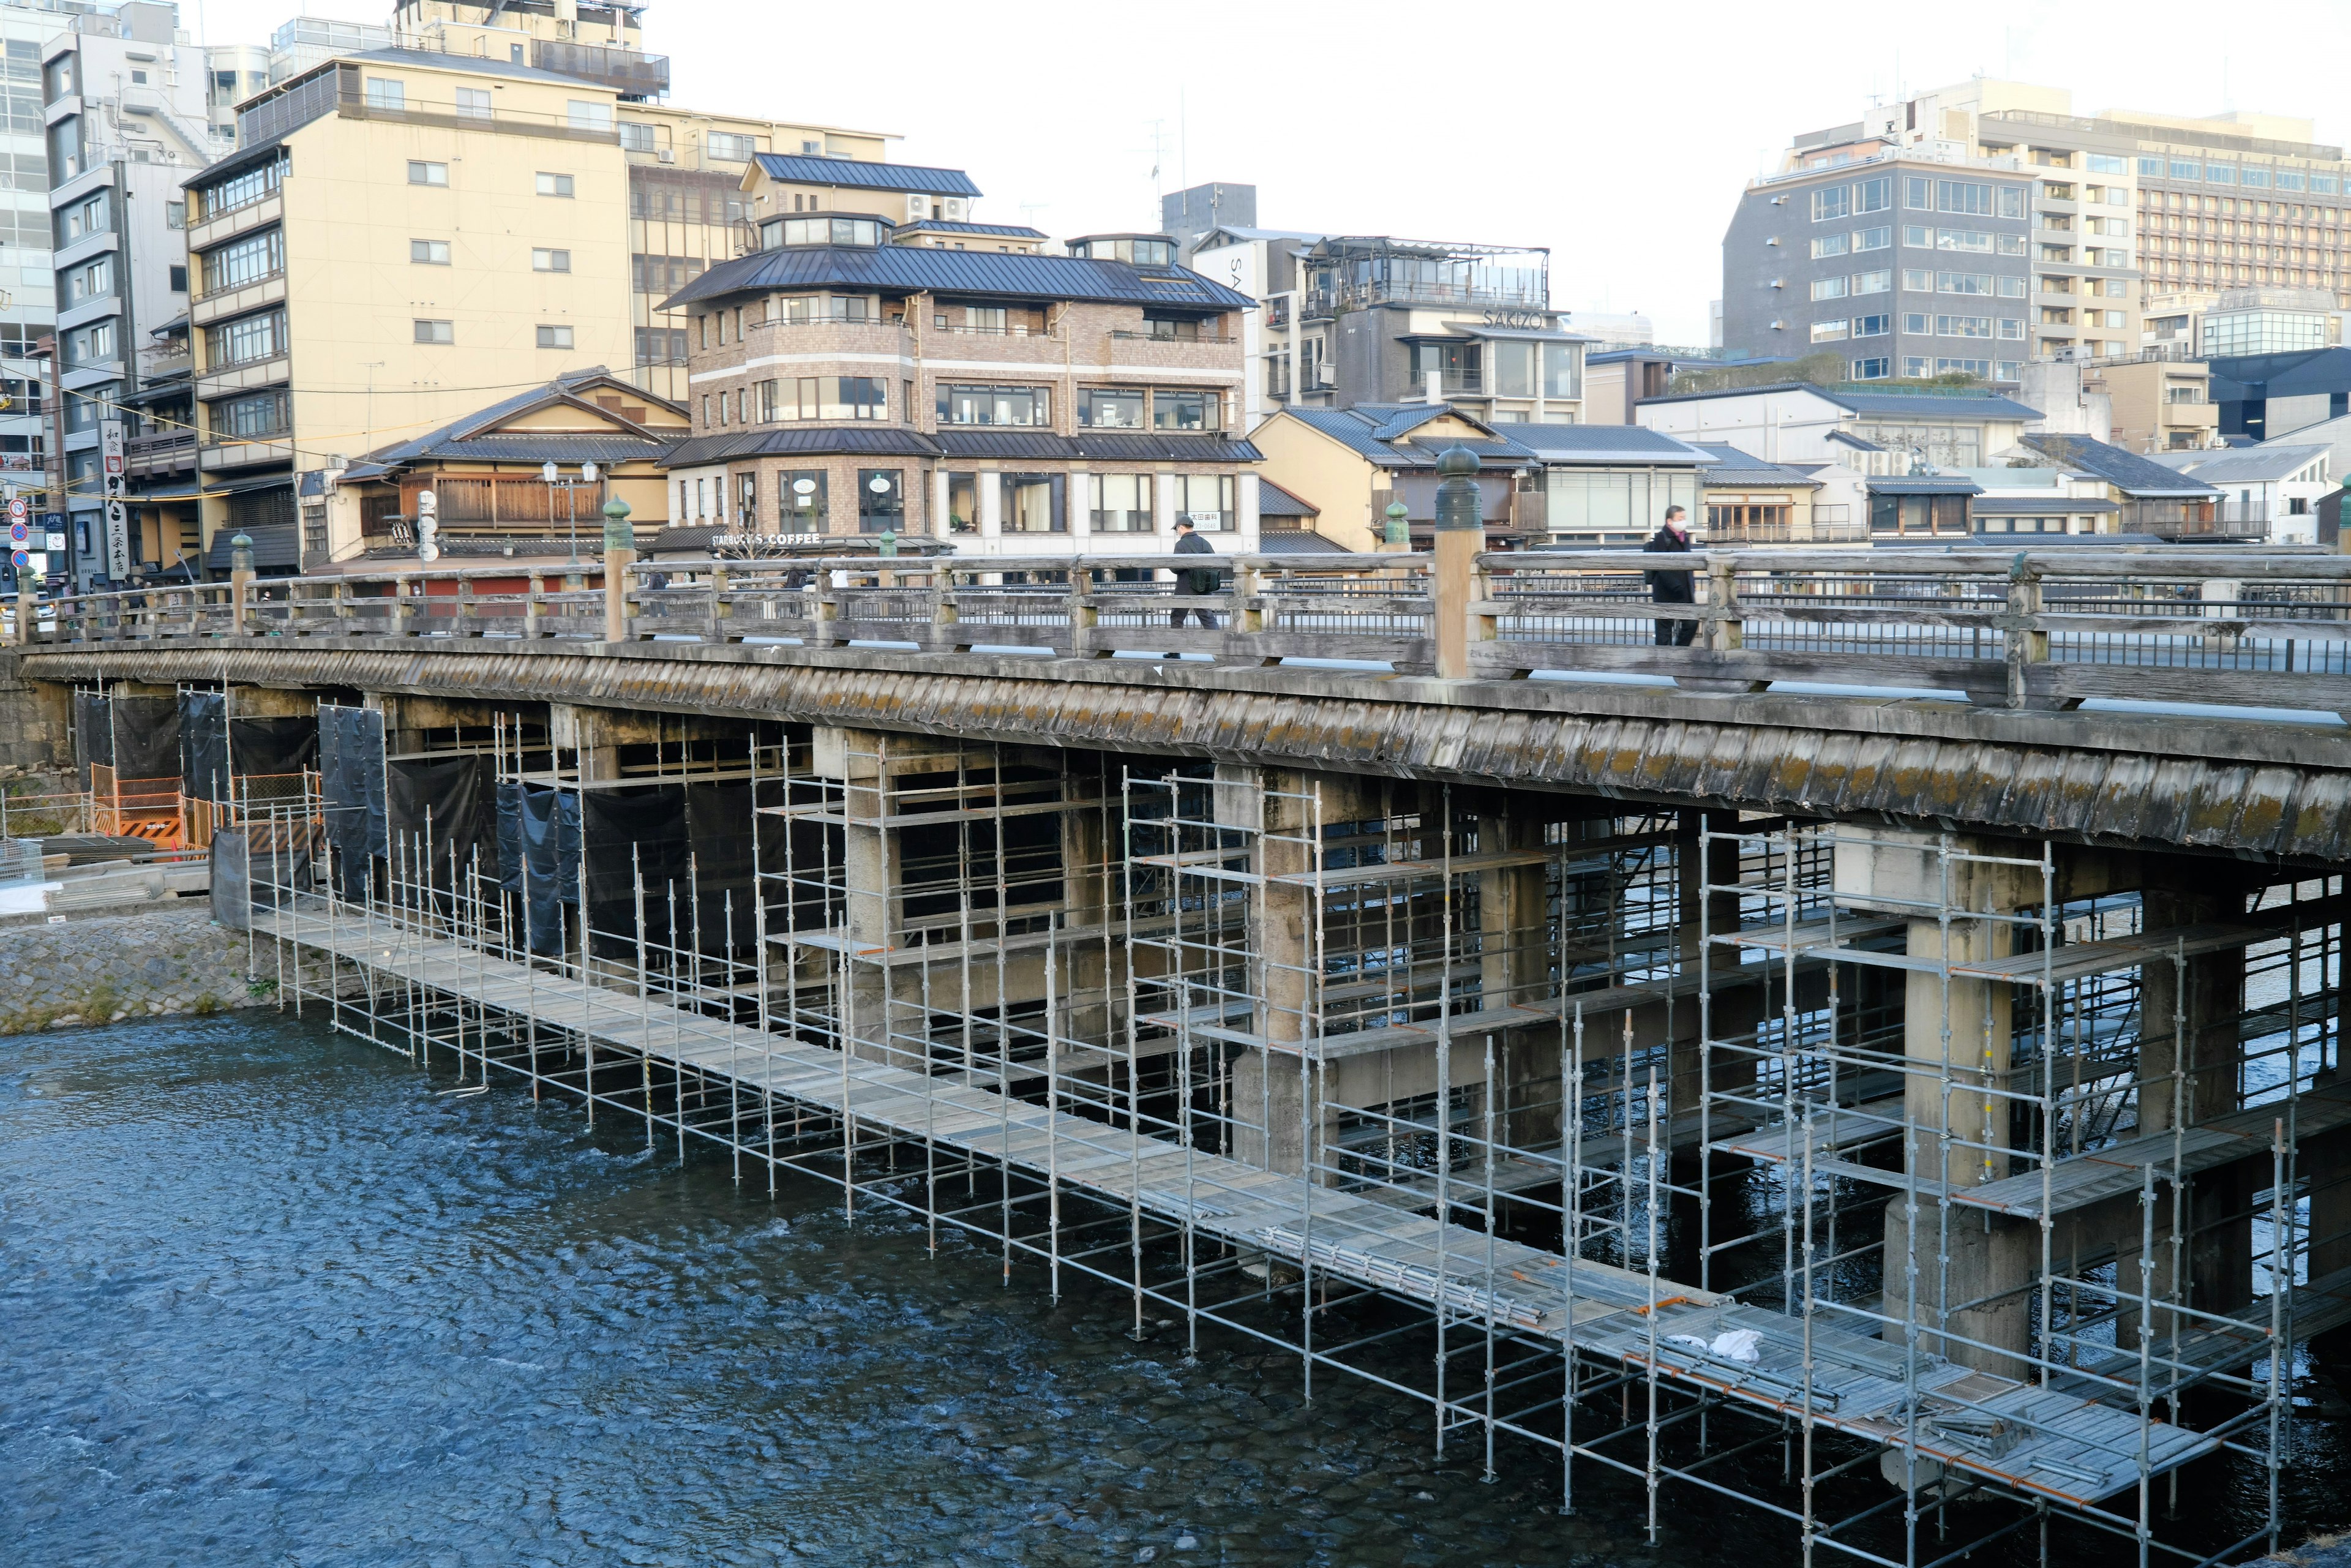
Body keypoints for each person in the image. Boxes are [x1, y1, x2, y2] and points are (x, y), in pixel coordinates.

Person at [1643, 505, 1696, 647]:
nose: (1683, 521)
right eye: (1680, 518)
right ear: (1670, 521)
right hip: (1666, 592)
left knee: (1691, 623)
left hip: (1684, 591)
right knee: (1664, 630)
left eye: (1684, 518)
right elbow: (1660, 566)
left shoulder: (1684, 537)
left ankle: (1678, 652)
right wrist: (1676, 585)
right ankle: (1663, 661)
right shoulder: (1662, 538)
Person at [1171, 519, 1222, 628]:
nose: (1178, 532)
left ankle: (1175, 643)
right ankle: (1217, 641)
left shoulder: (1181, 544)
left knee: (1177, 617)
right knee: (1207, 617)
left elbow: (1176, 568)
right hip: (1204, 586)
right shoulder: (1205, 543)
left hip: (1185, 587)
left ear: (1181, 527)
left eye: (1177, 530)